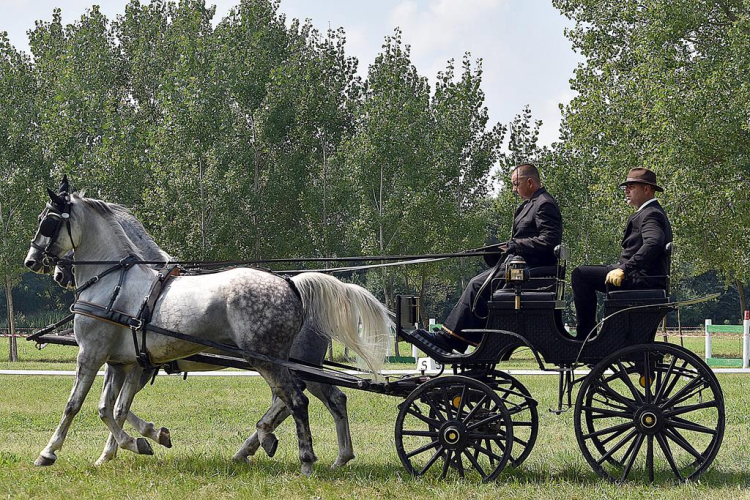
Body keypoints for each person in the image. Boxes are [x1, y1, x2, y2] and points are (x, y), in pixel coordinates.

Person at [415, 163, 563, 352]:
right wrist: (502, 249)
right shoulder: (532, 204)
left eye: (516, 184)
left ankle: (451, 339)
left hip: (532, 271)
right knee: (478, 282)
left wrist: (514, 245)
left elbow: (549, 240)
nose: (514, 190)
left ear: (530, 182)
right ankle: (464, 338)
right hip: (520, 267)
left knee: (477, 284)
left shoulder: (544, 203)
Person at [571, 167, 672, 337]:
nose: (626, 190)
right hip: (640, 276)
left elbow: (653, 244)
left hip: (640, 279)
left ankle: (585, 336)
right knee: (583, 273)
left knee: (580, 274)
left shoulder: (651, 214)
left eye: (631, 186)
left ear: (646, 189)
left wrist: (624, 269)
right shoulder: (648, 213)